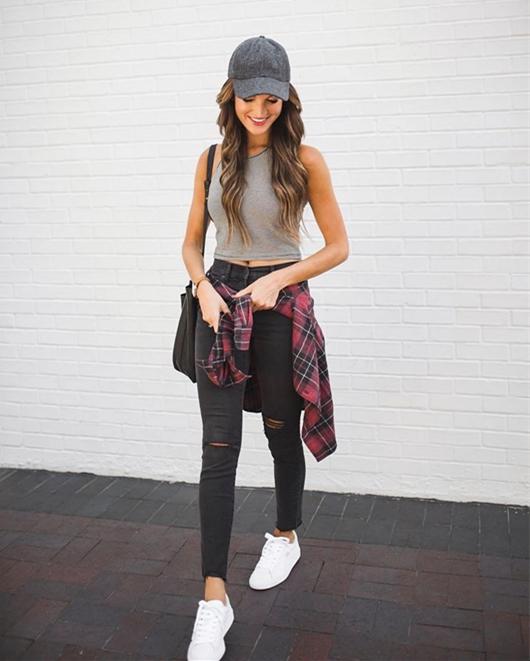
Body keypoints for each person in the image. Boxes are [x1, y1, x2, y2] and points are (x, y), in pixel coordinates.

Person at [181, 35, 349, 661]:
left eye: (271, 100)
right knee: (218, 448)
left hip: (280, 303)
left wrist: (281, 279)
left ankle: (285, 534)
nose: (259, 110)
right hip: (220, 304)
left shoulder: (306, 159)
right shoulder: (210, 160)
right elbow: (191, 244)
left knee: (281, 428)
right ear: (230, 96)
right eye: (249, 98)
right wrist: (201, 286)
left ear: (286, 99)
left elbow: (337, 246)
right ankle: (213, 599)